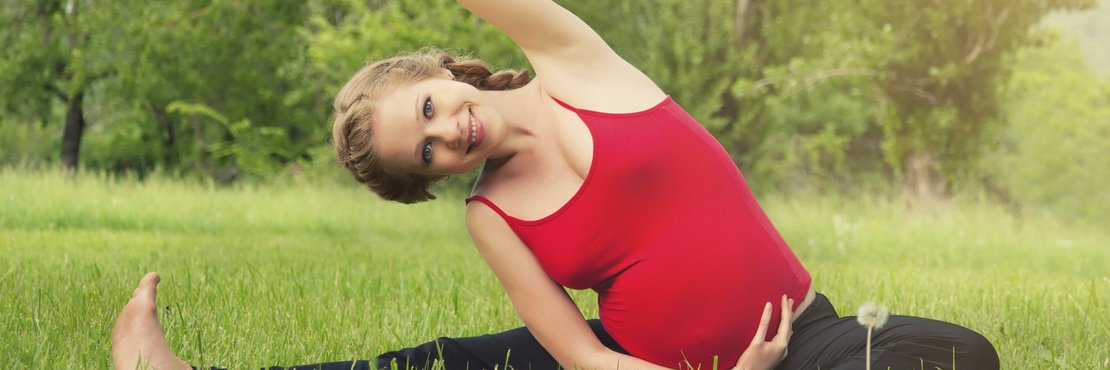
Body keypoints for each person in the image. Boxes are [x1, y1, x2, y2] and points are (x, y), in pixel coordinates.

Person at [111, 1, 1001, 370]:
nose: (443, 131)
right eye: (423, 153)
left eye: (428, 106)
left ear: (442, 71)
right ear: (432, 179)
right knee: (443, 365)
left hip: (802, 339)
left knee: (961, 356)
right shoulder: (492, 215)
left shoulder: (574, 62)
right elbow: (583, 359)